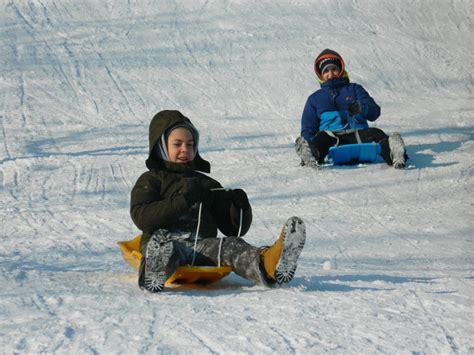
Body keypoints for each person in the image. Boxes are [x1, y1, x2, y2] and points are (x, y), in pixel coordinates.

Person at [130, 110, 306, 293]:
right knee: (164, 248)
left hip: (203, 246)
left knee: (232, 246)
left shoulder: (206, 183)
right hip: (168, 242)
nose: (185, 149)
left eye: (190, 145)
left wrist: (239, 208)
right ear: (161, 147)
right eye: (177, 144)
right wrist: (183, 201)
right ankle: (155, 270)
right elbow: (142, 217)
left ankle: (270, 265)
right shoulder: (151, 180)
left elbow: (232, 229)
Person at [295, 48, 407, 168]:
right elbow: (308, 128)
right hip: (332, 137)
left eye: (334, 69)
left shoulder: (355, 89)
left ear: (341, 70)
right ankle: (311, 155)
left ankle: (394, 153)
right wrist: (309, 143)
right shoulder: (315, 99)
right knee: (320, 138)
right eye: (326, 71)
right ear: (321, 75)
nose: (330, 74)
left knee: (376, 133)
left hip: (358, 133)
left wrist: (363, 108)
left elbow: (375, 112)